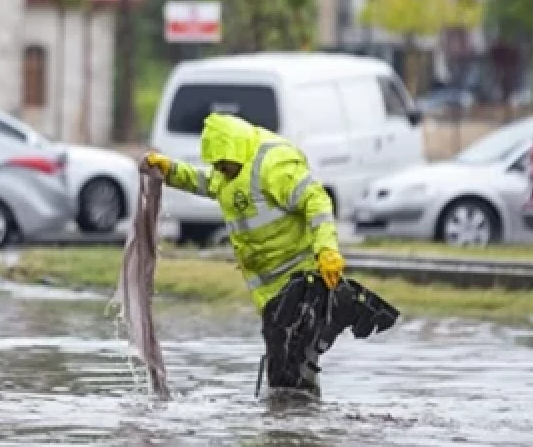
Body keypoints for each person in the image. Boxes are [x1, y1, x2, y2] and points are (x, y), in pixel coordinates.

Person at [141, 112, 398, 398]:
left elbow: (316, 200)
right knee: (288, 365)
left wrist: (327, 250)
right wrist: (170, 170)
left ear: (235, 151)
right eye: (217, 166)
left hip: (300, 280)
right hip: (269, 291)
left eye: (224, 165)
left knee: (289, 364)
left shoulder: (274, 165)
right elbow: (205, 182)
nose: (221, 171)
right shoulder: (228, 172)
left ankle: (292, 418)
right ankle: (296, 417)